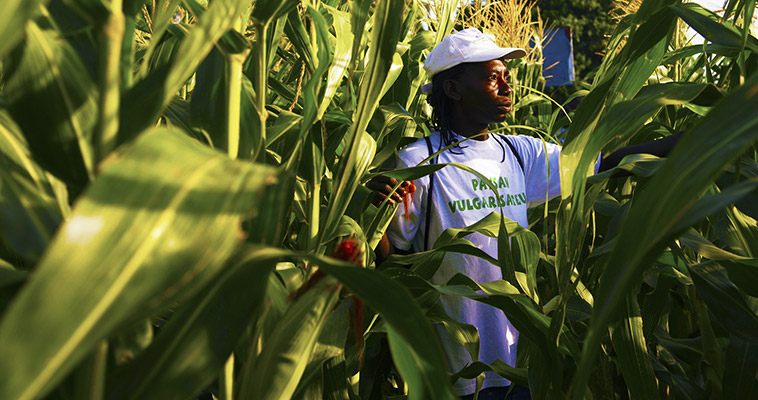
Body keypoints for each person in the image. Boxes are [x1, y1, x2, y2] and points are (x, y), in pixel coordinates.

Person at [370, 28, 681, 399]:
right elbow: (396, 264)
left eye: (506, 76)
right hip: (452, 368)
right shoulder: (418, 162)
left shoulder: (520, 153)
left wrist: (707, 133)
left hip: (519, 361)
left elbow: (605, 163)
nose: (506, 86)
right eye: (490, 78)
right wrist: (376, 215)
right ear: (452, 90)